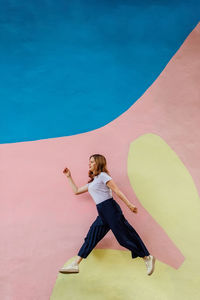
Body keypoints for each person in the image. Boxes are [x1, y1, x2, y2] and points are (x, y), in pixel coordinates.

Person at [59, 154, 156, 276]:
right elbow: (76, 191)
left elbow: (117, 190)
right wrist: (69, 177)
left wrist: (129, 205)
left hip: (111, 210)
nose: (89, 164)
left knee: (124, 237)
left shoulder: (103, 176)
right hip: (102, 213)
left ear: (98, 163)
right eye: (89, 161)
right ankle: (75, 264)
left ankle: (147, 257)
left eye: (92, 162)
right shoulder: (93, 182)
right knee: (91, 237)